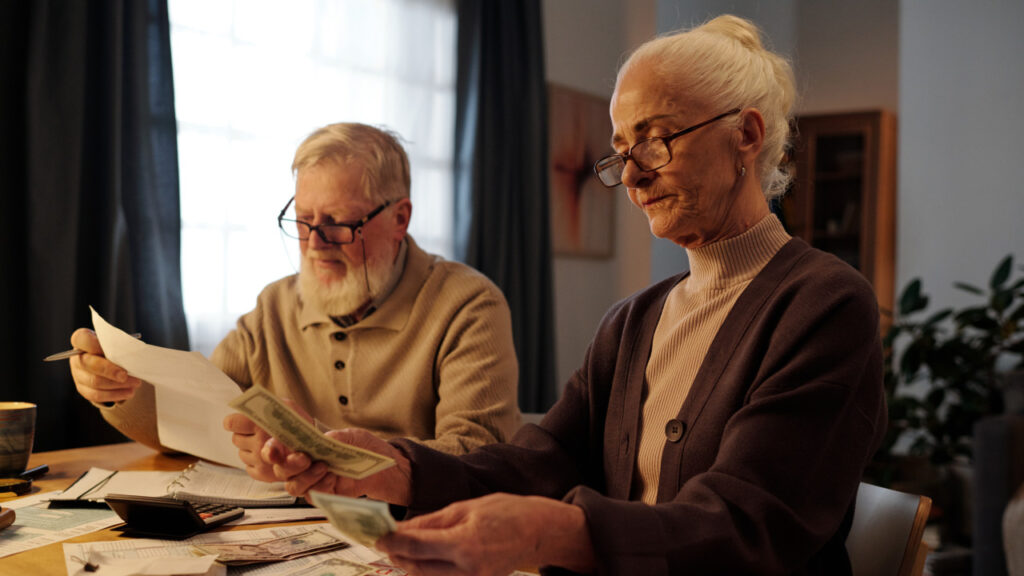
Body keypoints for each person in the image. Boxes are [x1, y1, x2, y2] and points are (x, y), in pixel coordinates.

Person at [262, 15, 886, 575]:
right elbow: (541, 461)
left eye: (655, 139)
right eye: (621, 152)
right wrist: (398, 467)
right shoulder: (635, 320)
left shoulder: (824, 304)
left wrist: (555, 530)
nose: (634, 175)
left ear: (746, 135)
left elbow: (748, 524)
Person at [68, 123, 521, 478]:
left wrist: (315, 445)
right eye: (303, 220)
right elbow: (193, 417)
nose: (315, 243)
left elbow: (478, 459)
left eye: (338, 223)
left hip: (423, 534)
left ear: (399, 218)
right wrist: (117, 390)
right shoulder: (274, 307)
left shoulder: (469, 305)